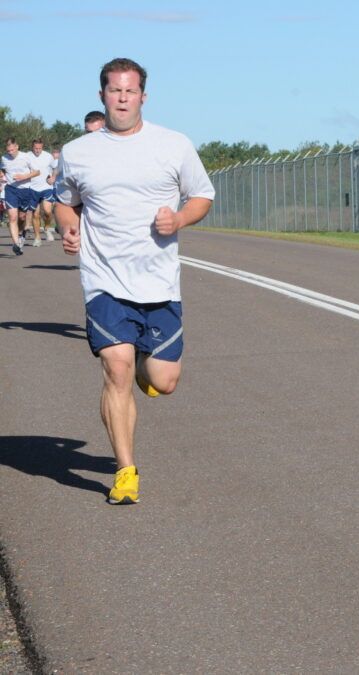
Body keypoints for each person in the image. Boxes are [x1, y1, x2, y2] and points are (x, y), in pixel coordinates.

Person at [54, 58, 214, 505]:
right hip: (104, 279)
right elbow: (65, 203)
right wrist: (69, 225)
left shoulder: (173, 145)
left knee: (163, 381)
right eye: (114, 90)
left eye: (130, 91)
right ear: (102, 95)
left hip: (158, 283)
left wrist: (179, 217)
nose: (122, 98)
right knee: (116, 368)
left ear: (143, 96)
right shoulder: (78, 151)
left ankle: (149, 364)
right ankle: (126, 471)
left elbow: (203, 195)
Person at [2, 138, 40, 255]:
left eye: (12, 150)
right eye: (8, 151)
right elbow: (2, 170)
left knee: (22, 217)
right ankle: (16, 244)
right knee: (13, 218)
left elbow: (37, 172)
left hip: (25, 190)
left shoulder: (26, 157)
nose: (10, 153)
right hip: (11, 190)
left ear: (17, 147)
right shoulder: (4, 158)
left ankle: (22, 233)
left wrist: (24, 177)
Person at [27, 139, 54, 245]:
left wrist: (53, 178)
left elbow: (55, 168)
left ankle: (47, 227)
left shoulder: (48, 156)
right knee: (36, 214)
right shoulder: (27, 156)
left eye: (40, 148)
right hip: (32, 188)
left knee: (47, 211)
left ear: (42, 147)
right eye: (35, 148)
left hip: (46, 187)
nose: (38, 150)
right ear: (32, 147)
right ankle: (37, 238)